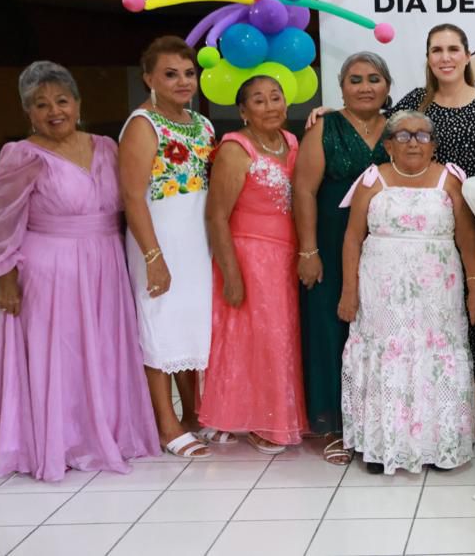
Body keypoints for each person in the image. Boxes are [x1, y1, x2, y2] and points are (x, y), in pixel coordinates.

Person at [0, 61, 160, 480]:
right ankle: (59, 440)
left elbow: (127, 205)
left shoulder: (106, 147)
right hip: (48, 270)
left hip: (104, 264)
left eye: (61, 100)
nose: (53, 110)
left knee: (102, 350)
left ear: (78, 103)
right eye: (40, 105)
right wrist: (7, 280)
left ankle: (106, 433)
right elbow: (1, 222)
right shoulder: (21, 155)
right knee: (58, 355)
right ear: (28, 113)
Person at [338, 110, 475, 474]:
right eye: (403, 136)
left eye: (422, 135)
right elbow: (353, 238)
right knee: (388, 359)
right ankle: (381, 445)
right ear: (388, 145)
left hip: (439, 295)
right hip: (381, 295)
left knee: (435, 361)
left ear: (434, 145)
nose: (413, 142)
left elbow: (466, 238)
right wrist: (348, 291)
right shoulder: (372, 180)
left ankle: (440, 446)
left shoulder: (450, 180)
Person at [391, 24, 475, 412]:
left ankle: (466, 410)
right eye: (436, 50)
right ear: (428, 58)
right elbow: (379, 140)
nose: (445, 57)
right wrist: (328, 113)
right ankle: (430, 408)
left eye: (452, 49)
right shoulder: (414, 104)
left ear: (466, 55)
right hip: (427, 235)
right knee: (433, 320)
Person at [118, 36, 217, 458]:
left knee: (191, 326)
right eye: (170, 74)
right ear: (148, 78)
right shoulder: (143, 124)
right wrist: (152, 256)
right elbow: (132, 196)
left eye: (189, 73)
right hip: (159, 238)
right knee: (158, 325)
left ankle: (195, 413)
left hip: (197, 239)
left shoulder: (203, 124)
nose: (182, 82)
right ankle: (165, 423)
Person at [200, 76, 307, 454]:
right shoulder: (235, 148)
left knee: (282, 339)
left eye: (275, 97)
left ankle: (281, 412)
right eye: (258, 101)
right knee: (257, 339)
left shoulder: (291, 143)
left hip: (286, 255)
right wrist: (231, 273)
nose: (270, 106)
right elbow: (215, 217)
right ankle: (258, 419)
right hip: (249, 255)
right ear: (243, 111)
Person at [294, 52, 392, 465]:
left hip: (387, 246)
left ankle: (379, 420)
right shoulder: (324, 127)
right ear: (341, 87)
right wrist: (309, 250)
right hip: (331, 242)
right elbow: (302, 190)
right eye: (355, 80)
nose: (365, 86)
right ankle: (333, 424)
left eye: (373, 78)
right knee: (331, 327)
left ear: (387, 85)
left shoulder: (400, 128)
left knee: (381, 334)